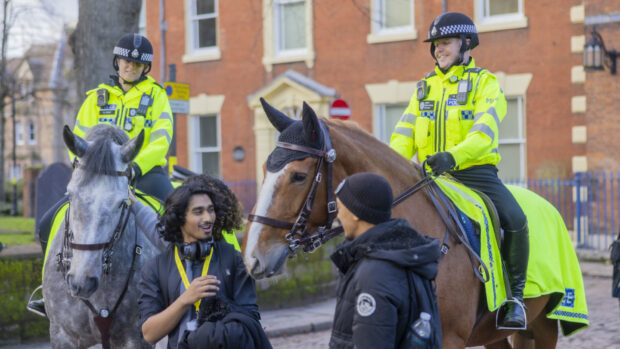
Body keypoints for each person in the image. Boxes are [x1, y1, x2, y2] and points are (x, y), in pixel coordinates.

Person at [389, 12, 529, 329]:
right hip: (427, 177)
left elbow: (483, 134)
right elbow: (402, 136)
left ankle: (515, 299)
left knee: (515, 219)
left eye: (445, 42)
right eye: (435, 44)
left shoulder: (485, 83)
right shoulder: (424, 88)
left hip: (472, 175)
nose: (439, 49)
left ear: (466, 43)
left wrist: (452, 157)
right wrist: (392, 167)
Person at [27, 33, 174, 316]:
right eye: (124, 61)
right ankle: (48, 293)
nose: (129, 66)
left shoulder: (156, 97)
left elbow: (160, 140)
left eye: (135, 63)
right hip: (98, 176)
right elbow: (78, 138)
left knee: (176, 219)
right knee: (48, 223)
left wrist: (133, 167)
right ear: (116, 61)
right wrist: (84, 167)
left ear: (145, 68)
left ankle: (181, 283)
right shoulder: (96, 98)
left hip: (142, 172)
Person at [138, 179, 260, 349]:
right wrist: (185, 300)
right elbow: (149, 334)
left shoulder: (233, 259)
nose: (208, 218)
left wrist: (213, 331)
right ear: (180, 218)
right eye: (198, 212)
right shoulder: (156, 268)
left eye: (211, 210)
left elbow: (251, 320)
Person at [329, 172, 442, 348]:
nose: (338, 216)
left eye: (340, 207)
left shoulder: (374, 273)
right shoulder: (400, 253)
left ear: (355, 213)